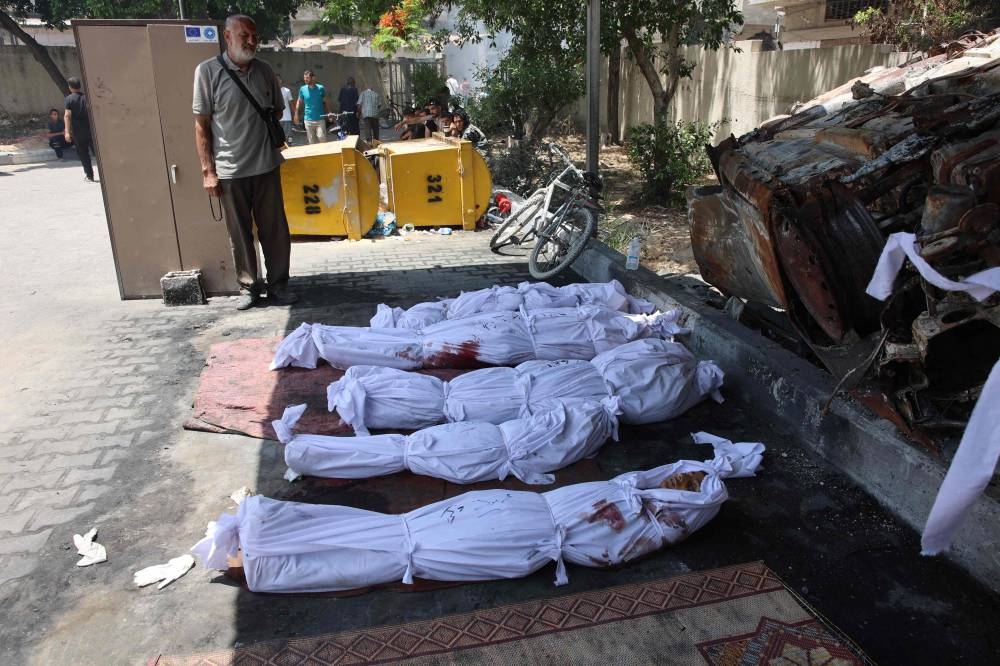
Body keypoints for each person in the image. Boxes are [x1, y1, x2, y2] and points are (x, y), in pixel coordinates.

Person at [193, 14, 297, 310]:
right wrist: (208, 171)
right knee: (240, 234)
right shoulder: (207, 72)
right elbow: (201, 125)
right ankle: (249, 287)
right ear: (227, 37)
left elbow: (277, 111)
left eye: (255, 36)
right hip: (230, 169)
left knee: (276, 231)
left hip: (266, 165)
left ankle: (279, 285)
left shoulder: (264, 71)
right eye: (244, 36)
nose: (252, 41)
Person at [64, 77, 95, 182]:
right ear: (80, 86)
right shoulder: (87, 97)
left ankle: (89, 176)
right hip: (91, 130)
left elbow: (67, 116)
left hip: (78, 132)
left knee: (83, 154)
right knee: (98, 153)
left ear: (70, 87)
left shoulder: (69, 99)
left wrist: (67, 132)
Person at [294, 69, 332, 144]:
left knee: (322, 139)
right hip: (308, 120)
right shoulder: (302, 89)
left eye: (307, 78)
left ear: (313, 78)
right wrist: (296, 114)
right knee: (312, 143)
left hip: (320, 119)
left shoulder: (320, 88)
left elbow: (326, 101)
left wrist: (329, 113)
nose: (305, 79)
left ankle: (324, 155)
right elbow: (299, 101)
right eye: (304, 78)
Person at [277, 74, 294, 145]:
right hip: (276, 119)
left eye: (279, 79)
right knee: (278, 138)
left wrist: (295, 115)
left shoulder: (287, 91)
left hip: (287, 118)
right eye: (276, 79)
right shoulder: (271, 90)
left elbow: (291, 104)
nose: (277, 81)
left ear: (281, 80)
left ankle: (289, 150)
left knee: (288, 138)